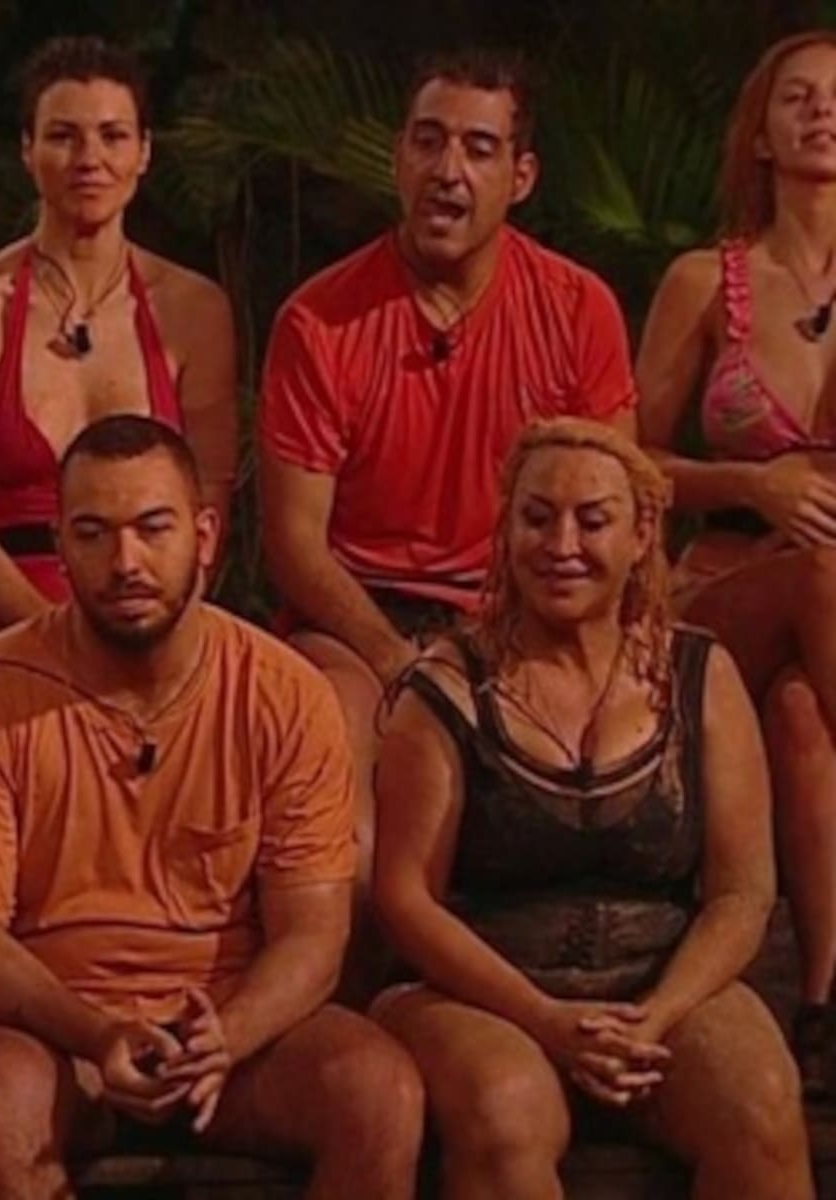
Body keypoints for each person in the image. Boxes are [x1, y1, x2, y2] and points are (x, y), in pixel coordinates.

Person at [0, 415, 423, 1200]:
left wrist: (228, 1036)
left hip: (236, 1028)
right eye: (93, 534)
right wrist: (97, 1032)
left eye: (153, 529)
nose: (126, 562)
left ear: (206, 534)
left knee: (378, 1094)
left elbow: (313, 933)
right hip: (52, 1032)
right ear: (59, 545)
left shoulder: (286, 694)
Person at [258, 47, 637, 995]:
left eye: (478, 147)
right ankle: (350, 1019)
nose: (448, 170)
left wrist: (506, 643)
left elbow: (611, 514)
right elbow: (295, 545)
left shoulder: (578, 307)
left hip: (523, 609)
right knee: (341, 789)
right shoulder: (318, 321)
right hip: (359, 619)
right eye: (428, 142)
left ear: (522, 175)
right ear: (398, 157)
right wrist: (398, 660)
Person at [373, 418, 811, 1200]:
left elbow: (743, 892)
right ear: (506, 530)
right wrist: (546, 1018)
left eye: (593, 520)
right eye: (537, 518)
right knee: (506, 1112)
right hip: (486, 993)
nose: (562, 545)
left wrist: (659, 1012)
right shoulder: (447, 688)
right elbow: (406, 898)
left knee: (761, 1107)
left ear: (642, 536)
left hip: (662, 981)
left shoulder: (698, 674)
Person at [637, 29, 836, 1093]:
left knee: (803, 716)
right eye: (798, 97)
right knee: (818, 577)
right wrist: (752, 485)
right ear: (759, 133)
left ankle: (823, 1002)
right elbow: (625, 463)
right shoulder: (704, 280)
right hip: (727, 589)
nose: (823, 111)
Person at [0, 35, 238, 695]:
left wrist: (151, 630)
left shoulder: (194, 309)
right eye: (63, 136)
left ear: (143, 152)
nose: (89, 159)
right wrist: (63, 641)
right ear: (27, 150)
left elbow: (210, 499)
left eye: (112, 136)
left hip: (153, 611)